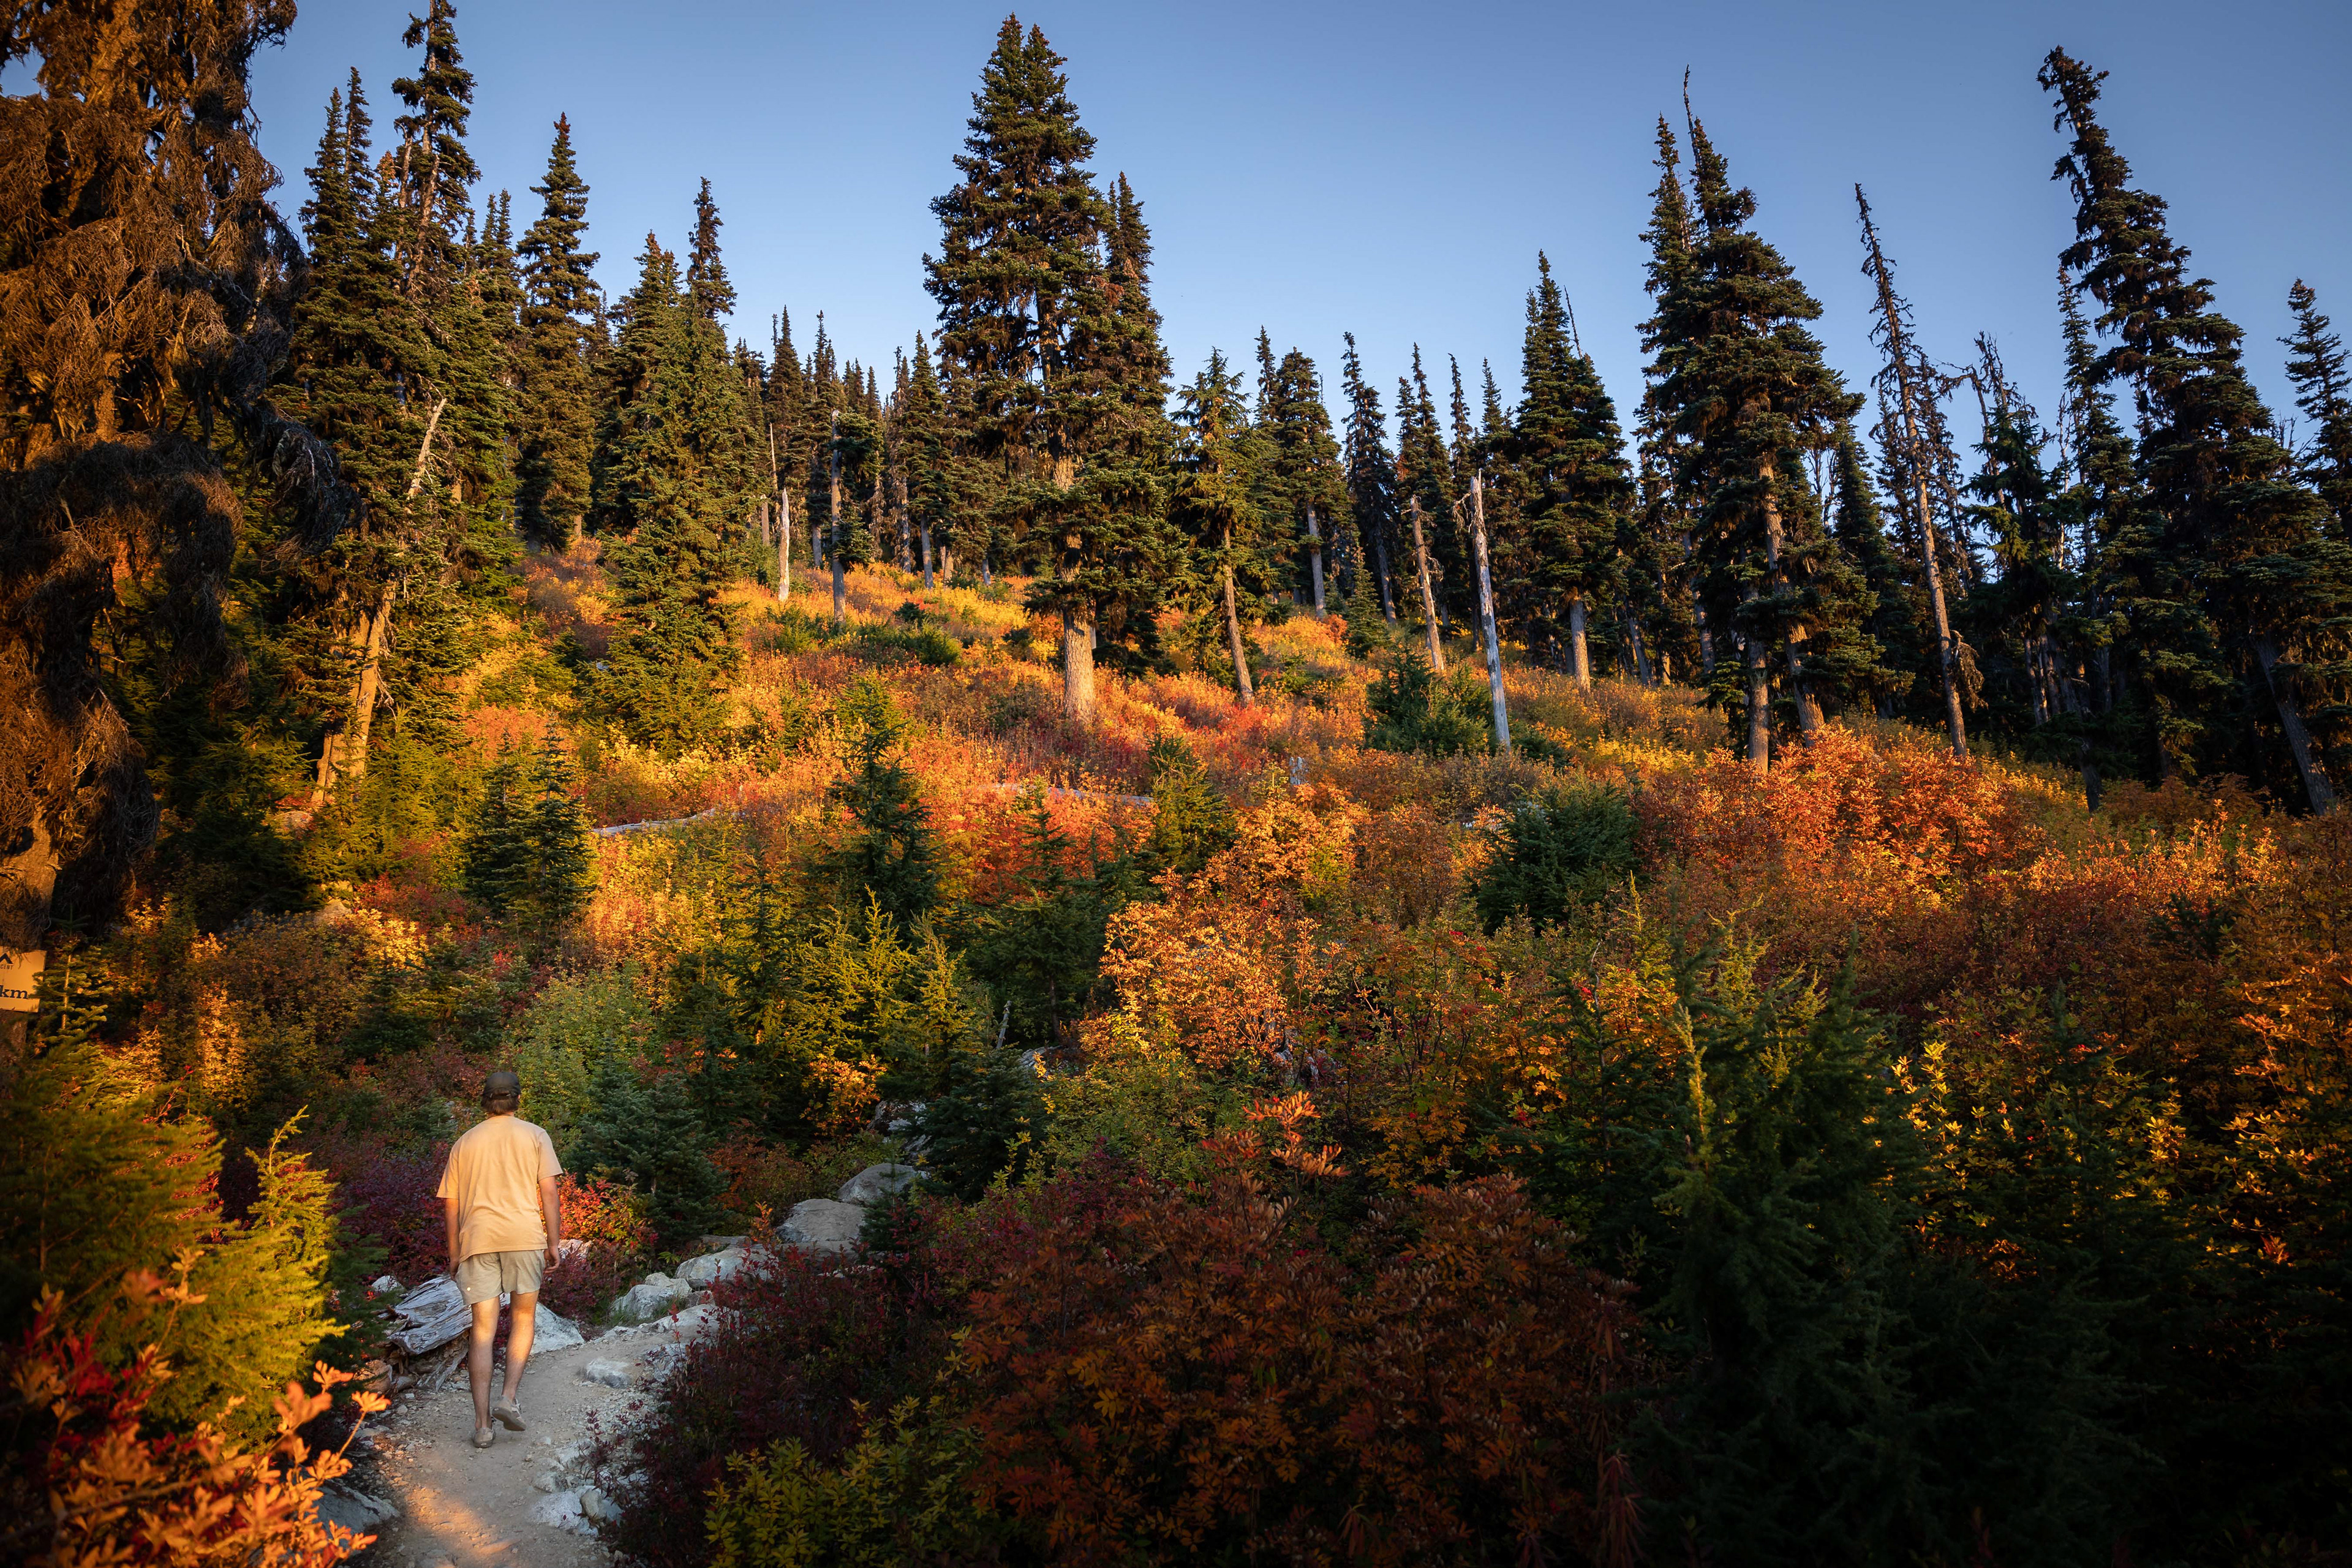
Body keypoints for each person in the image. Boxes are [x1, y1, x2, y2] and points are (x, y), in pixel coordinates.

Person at [435, 1069, 563, 1450]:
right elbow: (550, 1192)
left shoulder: (465, 1143)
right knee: (523, 1317)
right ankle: (508, 1398)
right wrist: (553, 1241)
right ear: (517, 1099)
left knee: (482, 1331)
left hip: (478, 1240)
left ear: (485, 1101)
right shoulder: (536, 1135)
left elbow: (451, 1204)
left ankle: (482, 1426)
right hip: (524, 1237)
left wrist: (455, 1253)